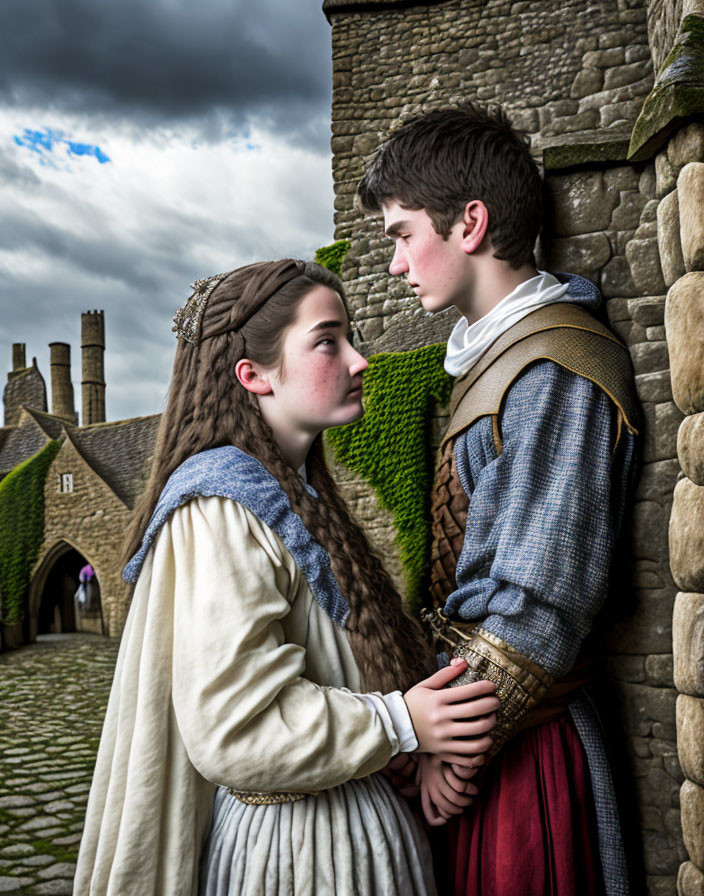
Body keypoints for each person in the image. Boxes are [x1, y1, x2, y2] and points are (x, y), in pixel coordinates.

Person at [73, 259, 500, 896]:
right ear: (254, 375)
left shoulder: (297, 492)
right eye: (328, 341)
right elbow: (235, 725)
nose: (359, 361)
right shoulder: (219, 507)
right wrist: (400, 722)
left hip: (353, 836)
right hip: (295, 855)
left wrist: (409, 739)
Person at [358, 105, 640, 896]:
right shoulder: (504, 359)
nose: (394, 264)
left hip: (528, 753)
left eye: (402, 234)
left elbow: (534, 605)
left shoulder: (554, 367)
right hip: (490, 737)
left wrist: (457, 753)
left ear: (470, 223)